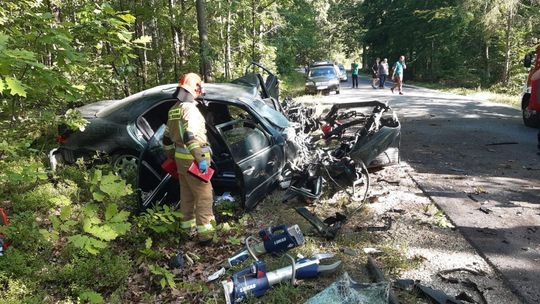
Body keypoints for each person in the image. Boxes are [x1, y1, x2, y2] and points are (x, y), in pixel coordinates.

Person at [163, 73, 215, 244]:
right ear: (196, 89)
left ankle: (187, 231)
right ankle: (206, 235)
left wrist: (172, 156)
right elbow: (189, 136)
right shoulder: (190, 110)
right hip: (194, 161)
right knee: (204, 196)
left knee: (187, 196)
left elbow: (166, 139)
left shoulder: (173, 110)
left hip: (180, 161)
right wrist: (200, 158)